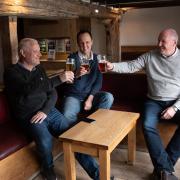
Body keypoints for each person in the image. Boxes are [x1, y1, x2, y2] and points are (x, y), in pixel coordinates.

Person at [4, 38, 101, 180]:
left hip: (47, 111)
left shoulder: (39, 70)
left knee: (73, 137)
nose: (39, 55)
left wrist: (45, 111)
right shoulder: (11, 73)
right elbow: (28, 90)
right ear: (23, 53)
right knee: (45, 139)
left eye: (39, 51)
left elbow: (52, 92)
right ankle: (48, 169)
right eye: (35, 51)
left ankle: (99, 175)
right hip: (29, 116)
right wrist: (57, 79)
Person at [106, 28, 180, 180]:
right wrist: (112, 66)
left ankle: (163, 169)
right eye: (158, 40)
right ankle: (165, 171)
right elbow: (131, 66)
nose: (159, 44)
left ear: (174, 43)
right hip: (153, 100)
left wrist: (174, 108)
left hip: (176, 102)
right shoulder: (150, 56)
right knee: (147, 125)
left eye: (163, 42)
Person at [60, 30, 114, 125]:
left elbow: (98, 82)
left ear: (92, 42)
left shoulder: (98, 59)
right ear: (78, 43)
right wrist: (77, 74)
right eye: (81, 43)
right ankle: (74, 136)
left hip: (90, 95)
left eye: (87, 42)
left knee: (108, 97)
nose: (85, 46)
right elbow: (67, 82)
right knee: (67, 114)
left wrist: (90, 99)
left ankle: (95, 126)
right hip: (74, 96)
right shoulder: (71, 58)